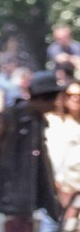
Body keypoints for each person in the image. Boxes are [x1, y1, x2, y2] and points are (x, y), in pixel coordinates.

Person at [0, 70, 64, 232]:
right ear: (43, 98)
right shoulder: (8, 118)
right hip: (3, 193)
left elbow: (42, 157)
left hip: (25, 196)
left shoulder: (37, 121)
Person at [45, 81, 80, 231]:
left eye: (79, 95)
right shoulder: (53, 121)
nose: (75, 99)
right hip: (57, 188)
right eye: (71, 95)